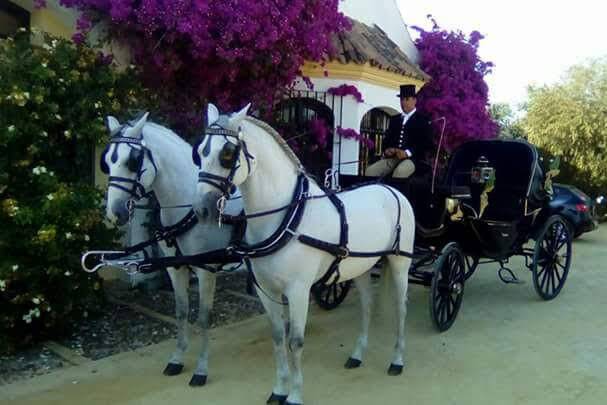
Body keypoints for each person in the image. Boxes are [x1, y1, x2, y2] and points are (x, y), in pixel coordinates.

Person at [365, 84, 434, 178]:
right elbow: (387, 140)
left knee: (400, 172)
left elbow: (427, 144)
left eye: (406, 99)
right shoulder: (395, 119)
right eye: (401, 99)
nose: (403, 102)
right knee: (370, 171)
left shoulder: (422, 120)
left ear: (414, 100)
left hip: (414, 159)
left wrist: (407, 153)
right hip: (394, 158)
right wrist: (388, 150)